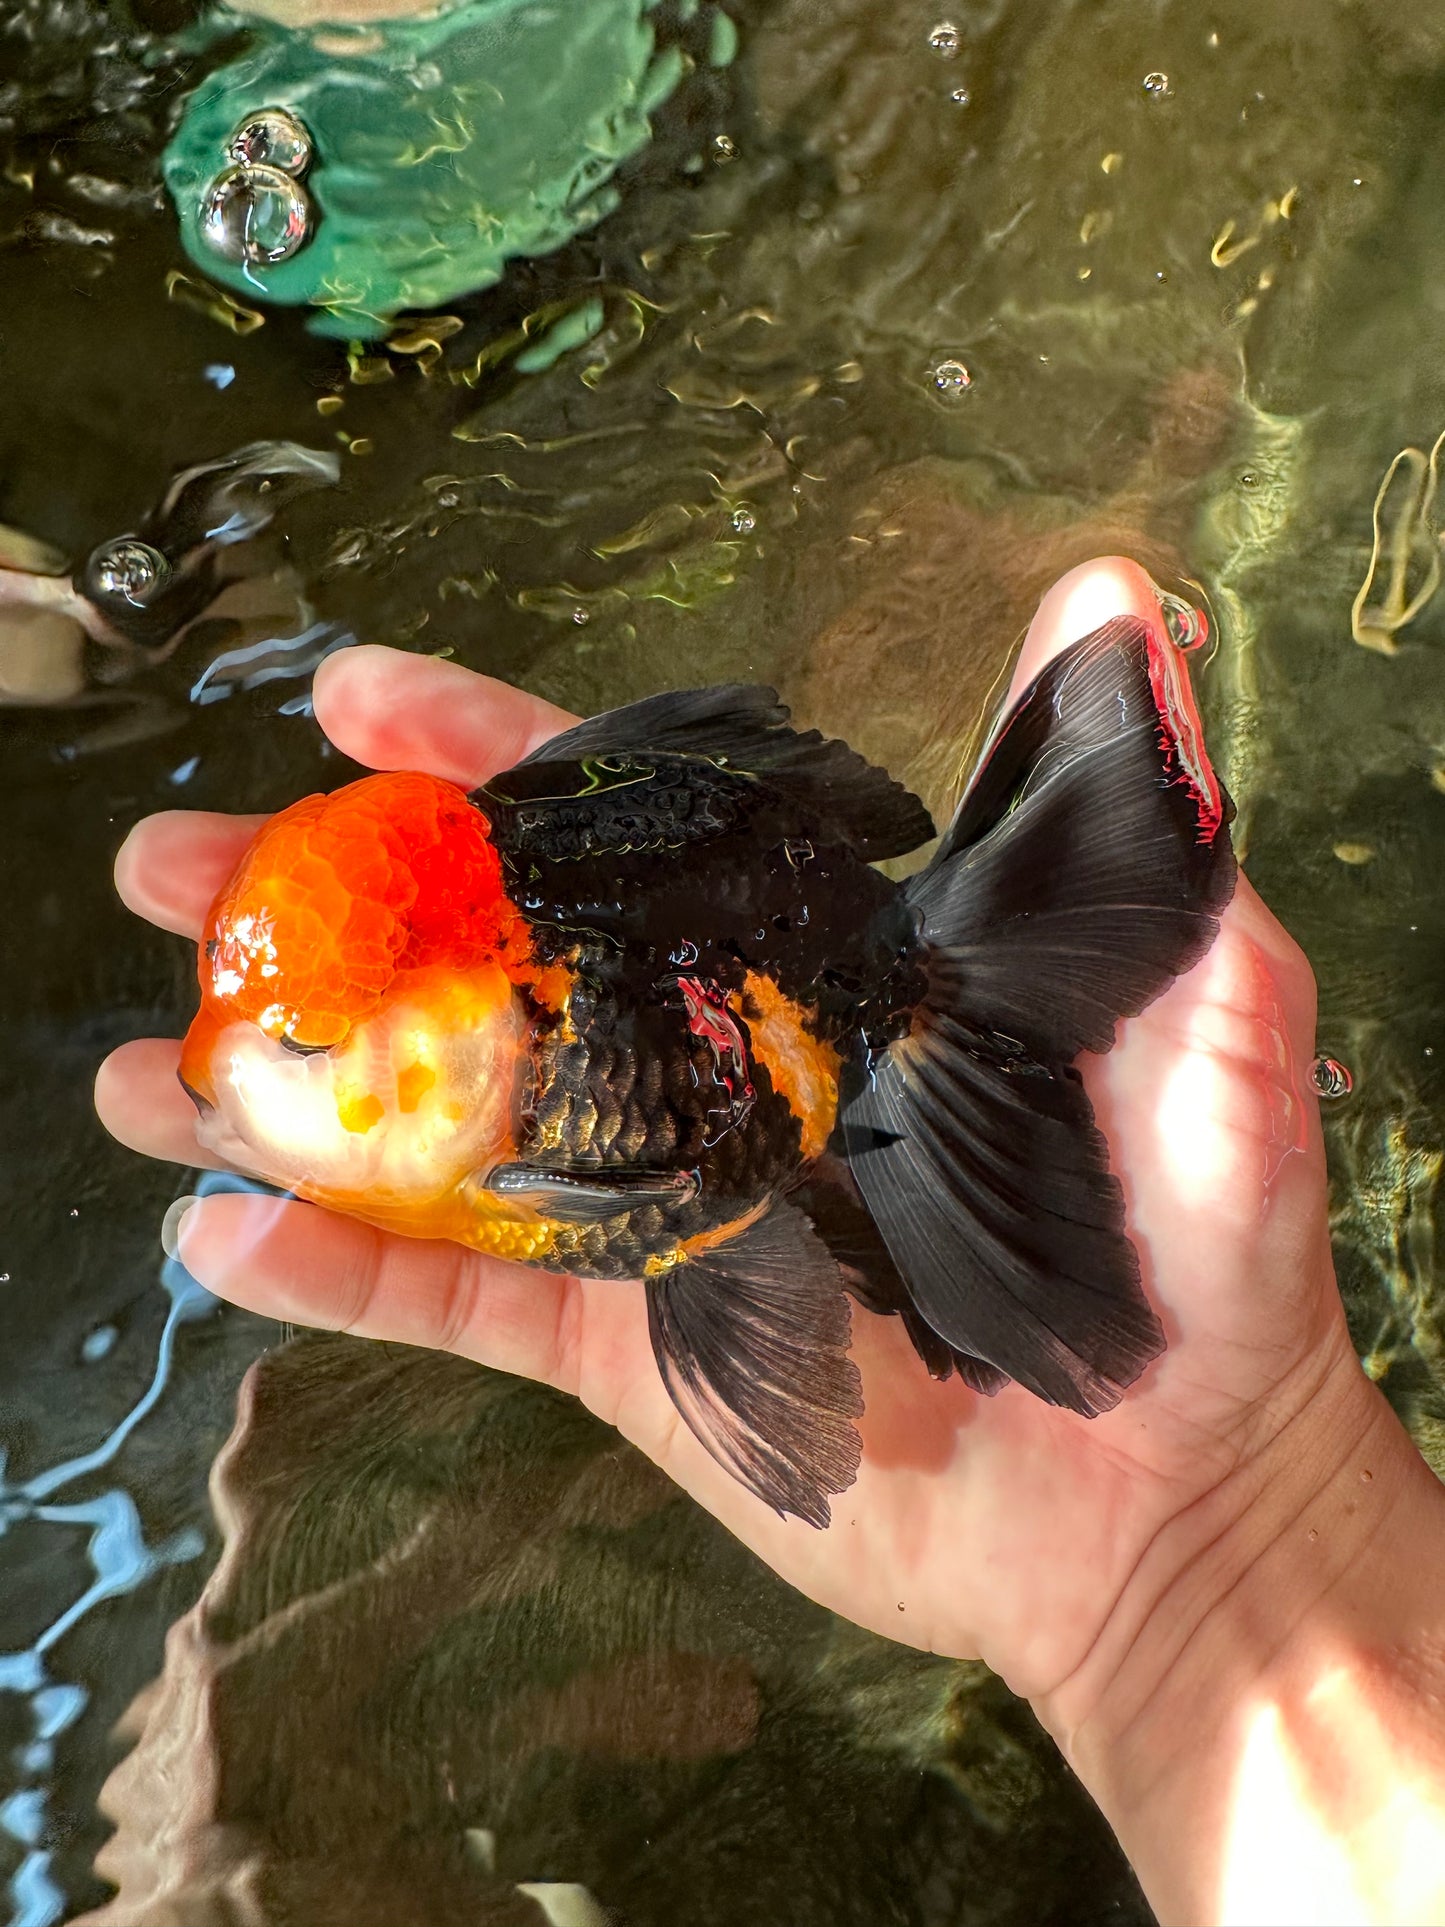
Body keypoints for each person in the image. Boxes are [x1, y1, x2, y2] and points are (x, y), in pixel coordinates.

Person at [96, 557, 1445, 1927]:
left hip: (788, 1047)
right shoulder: (482, 1122)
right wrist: (1229, 1552)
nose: (233, 1078)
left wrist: (1228, 1525)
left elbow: (693, 1168)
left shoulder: (546, 1113)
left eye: (307, 1049)